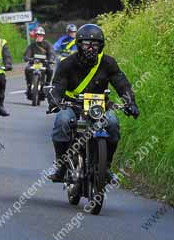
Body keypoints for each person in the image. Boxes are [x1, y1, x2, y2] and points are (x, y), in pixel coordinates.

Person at [47, 23, 139, 182]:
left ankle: (106, 167)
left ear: (101, 46)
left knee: (112, 124)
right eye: (86, 44)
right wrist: (55, 101)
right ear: (79, 45)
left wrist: (130, 103)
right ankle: (61, 166)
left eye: (95, 44)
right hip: (72, 105)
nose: (90, 48)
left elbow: (121, 83)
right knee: (62, 121)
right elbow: (57, 86)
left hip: (98, 107)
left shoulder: (108, 63)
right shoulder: (66, 63)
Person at [23, 26, 55, 100]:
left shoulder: (47, 44)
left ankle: (46, 85)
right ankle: (29, 86)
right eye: (37, 35)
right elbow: (27, 53)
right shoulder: (32, 45)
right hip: (33, 63)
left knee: (50, 70)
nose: (39, 37)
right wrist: (27, 58)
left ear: (43, 36)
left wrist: (50, 59)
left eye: (41, 35)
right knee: (27, 69)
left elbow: (51, 52)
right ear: (35, 36)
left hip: (44, 63)